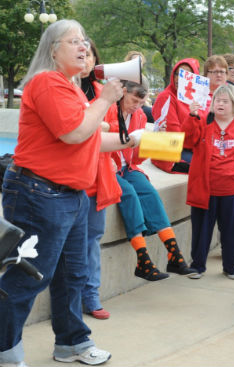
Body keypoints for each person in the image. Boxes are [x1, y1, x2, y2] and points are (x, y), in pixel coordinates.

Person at [0, 19, 142, 367]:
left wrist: (134, 138)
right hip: (39, 194)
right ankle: (5, 349)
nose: (83, 47)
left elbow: (92, 138)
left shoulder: (71, 88)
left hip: (70, 196)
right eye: (73, 41)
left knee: (72, 275)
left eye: (84, 40)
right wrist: (106, 98)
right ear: (53, 50)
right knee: (29, 275)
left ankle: (72, 343)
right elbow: (75, 133)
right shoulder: (47, 82)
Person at [105, 76, 197, 280]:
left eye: (140, 103)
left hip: (127, 168)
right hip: (106, 168)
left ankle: (175, 255)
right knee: (128, 194)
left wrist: (154, 142)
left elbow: (136, 157)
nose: (137, 107)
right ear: (123, 93)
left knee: (149, 193)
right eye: (133, 101)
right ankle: (142, 259)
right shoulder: (107, 110)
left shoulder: (140, 117)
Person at [181, 84, 234, 280]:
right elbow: (187, 141)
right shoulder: (203, 121)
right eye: (217, 100)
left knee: (233, 231)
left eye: (225, 101)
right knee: (201, 230)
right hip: (205, 188)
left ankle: (231, 267)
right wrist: (192, 116)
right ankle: (197, 266)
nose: (220, 104)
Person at [80, 39, 117, 320]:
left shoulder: (104, 92)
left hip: (96, 178)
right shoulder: (61, 88)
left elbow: (113, 130)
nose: (85, 58)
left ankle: (91, 296)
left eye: (90, 54)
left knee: (92, 240)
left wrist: (101, 125)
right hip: (68, 180)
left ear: (96, 60)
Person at [152, 58, 200, 173]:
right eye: (177, 74)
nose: (179, 78)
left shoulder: (193, 98)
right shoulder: (166, 97)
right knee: (209, 166)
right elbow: (173, 136)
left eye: (185, 74)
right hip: (171, 152)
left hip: (189, 148)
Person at [124, 50, 154, 123]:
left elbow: (145, 98)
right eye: (134, 61)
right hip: (127, 106)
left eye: (139, 62)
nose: (137, 64)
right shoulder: (123, 76)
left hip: (141, 106)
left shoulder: (144, 79)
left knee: (152, 113)